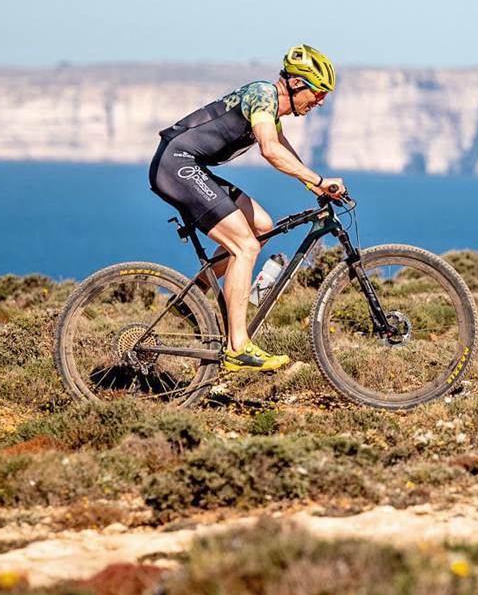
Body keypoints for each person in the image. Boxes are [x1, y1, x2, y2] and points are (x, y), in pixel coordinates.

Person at [148, 44, 346, 372]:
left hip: (188, 165)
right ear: (297, 84)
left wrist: (314, 185)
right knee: (245, 247)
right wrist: (319, 178)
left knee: (262, 226)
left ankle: (190, 298)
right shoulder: (263, 95)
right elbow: (269, 149)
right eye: (318, 93)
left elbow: (281, 147)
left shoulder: (270, 109)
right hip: (177, 165)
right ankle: (237, 347)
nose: (320, 102)